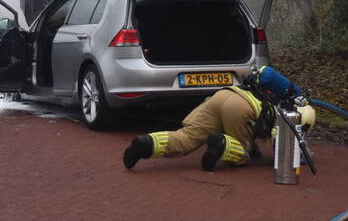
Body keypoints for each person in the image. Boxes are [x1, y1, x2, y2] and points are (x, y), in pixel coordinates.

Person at [122, 66, 312, 172]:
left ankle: (147, 144)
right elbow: (278, 138)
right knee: (241, 155)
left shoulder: (271, 92)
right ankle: (221, 144)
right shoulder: (289, 113)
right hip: (242, 107)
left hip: (224, 95)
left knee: (186, 137)